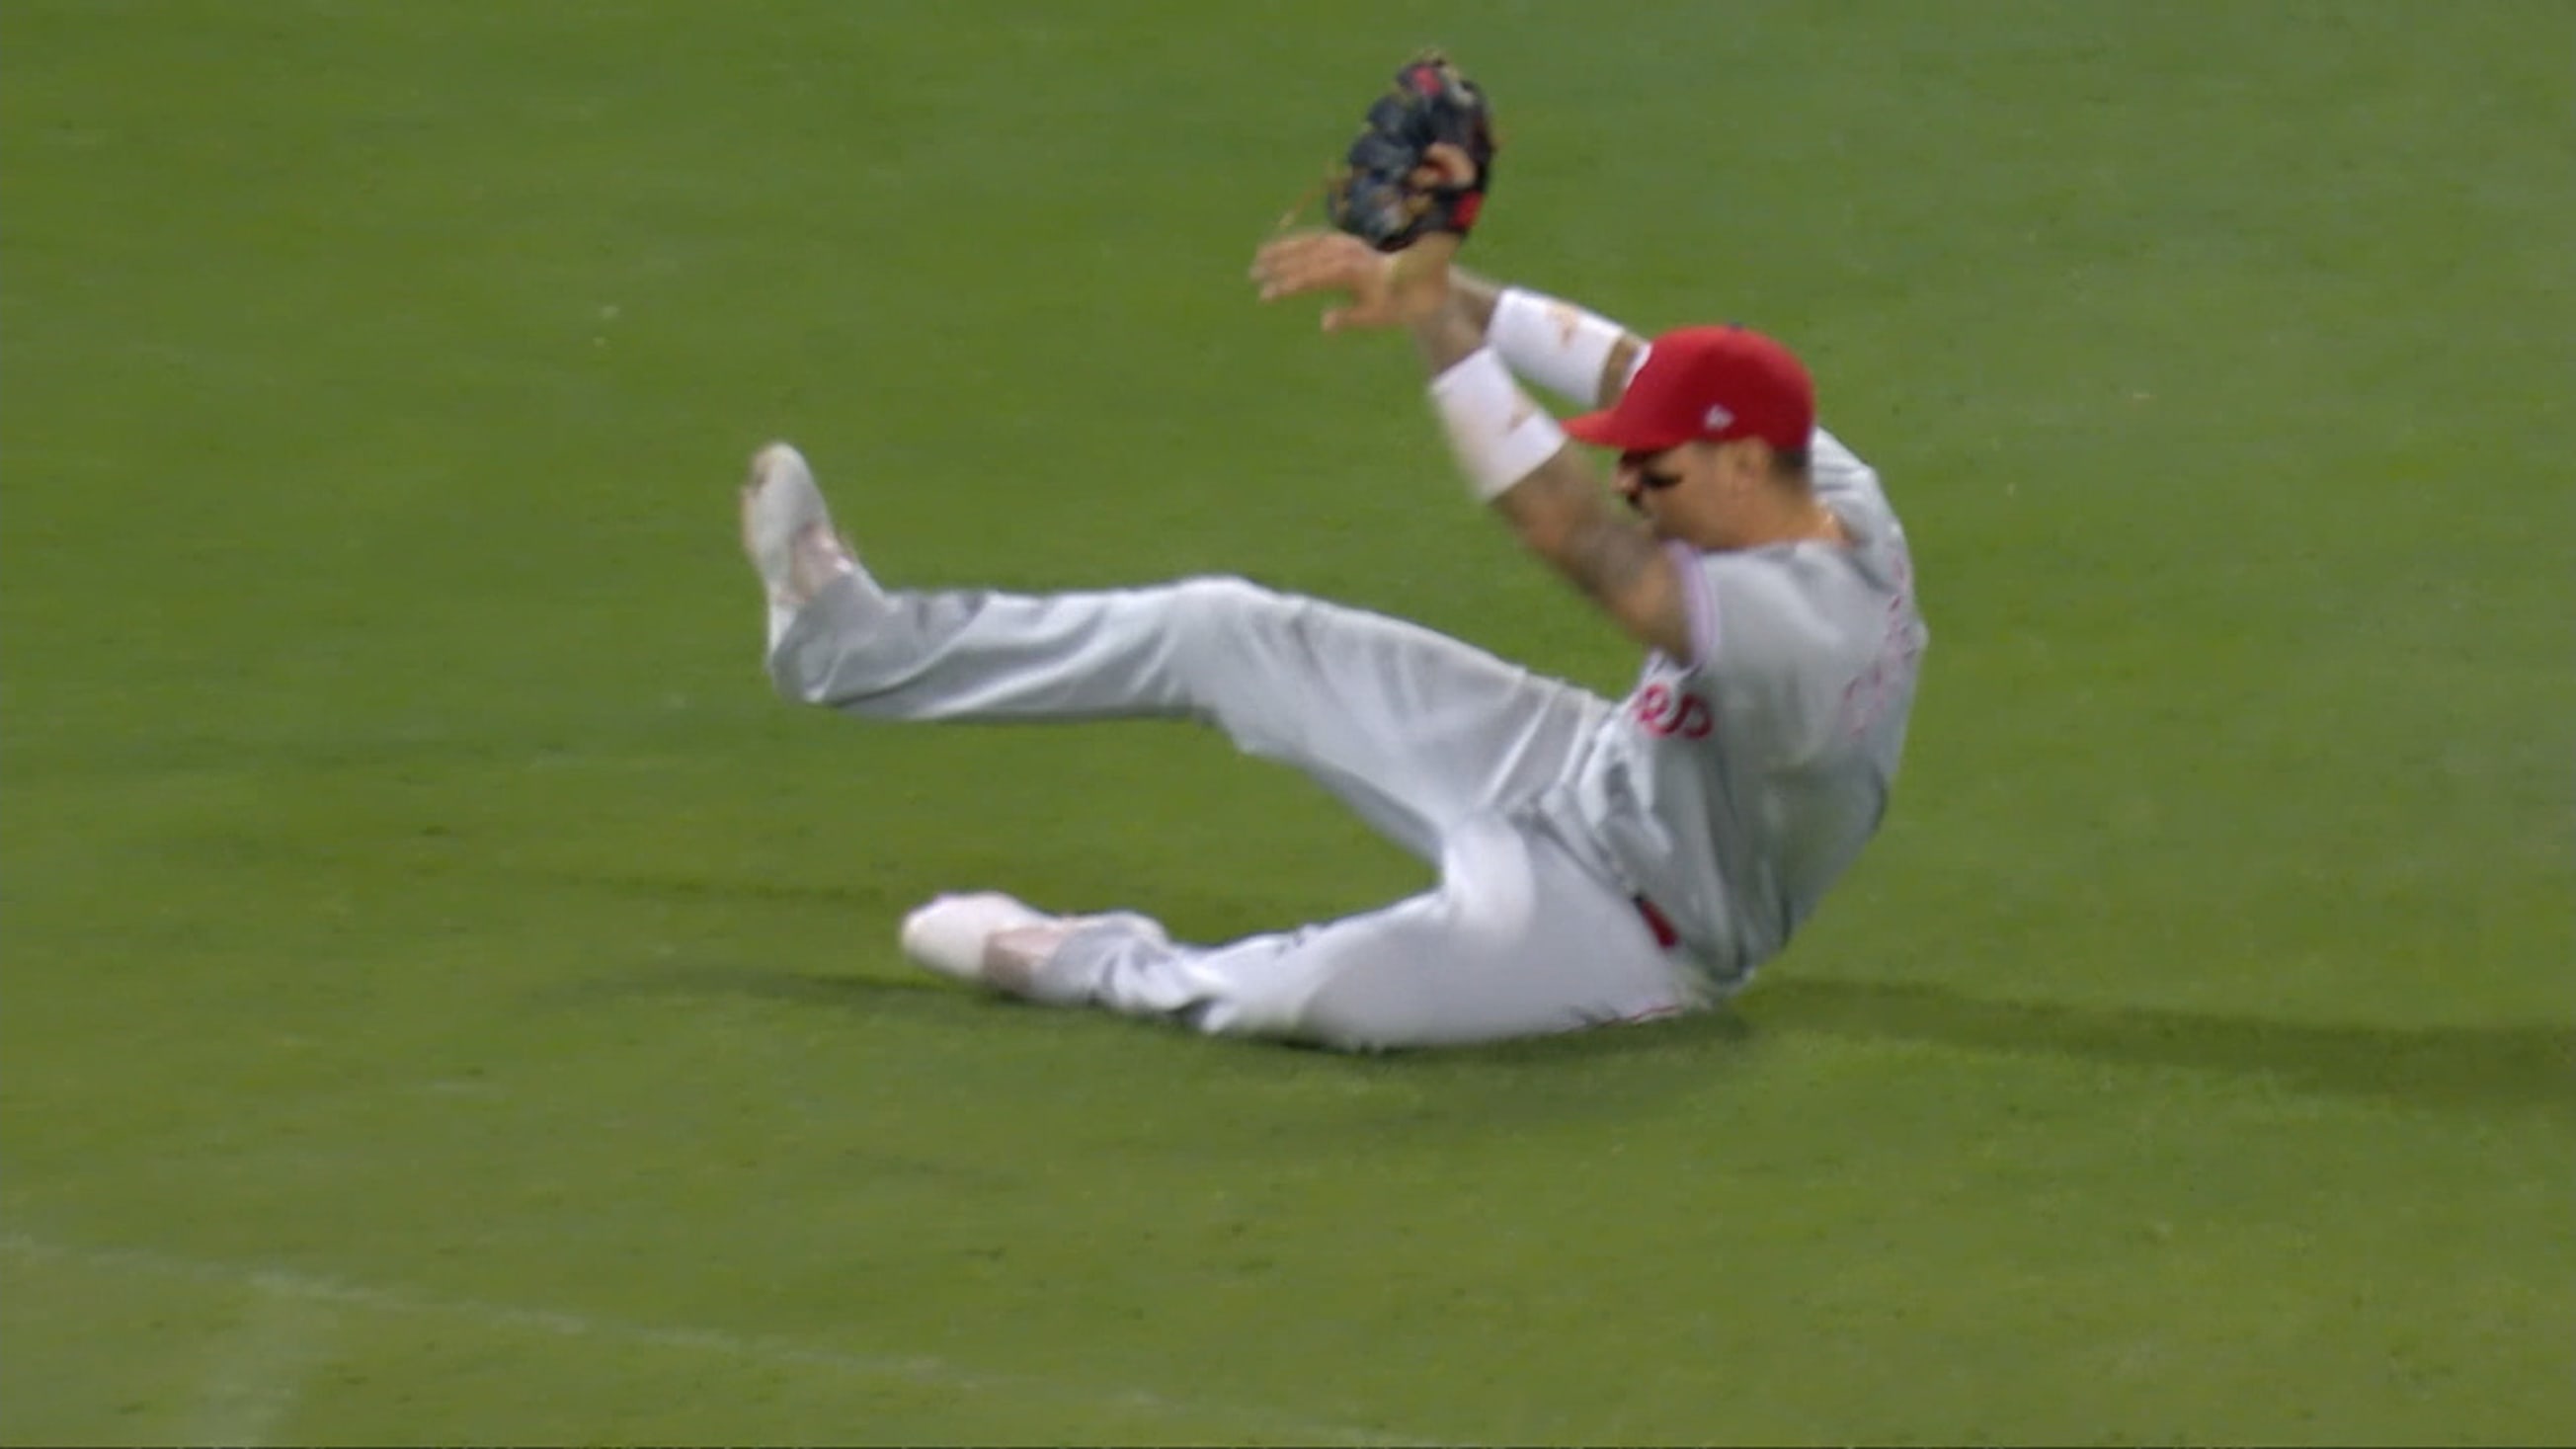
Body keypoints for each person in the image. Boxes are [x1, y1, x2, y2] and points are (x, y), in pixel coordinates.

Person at [736, 224, 1926, 1052]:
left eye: (1651, 465)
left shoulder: (1796, 636)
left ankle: (1074, 961)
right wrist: (1439, 289)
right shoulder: (1825, 484)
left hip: (1631, 932)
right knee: (1223, 630)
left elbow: (1570, 536)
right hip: (1581, 767)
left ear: (1735, 463)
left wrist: (1441, 341)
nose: (1628, 481)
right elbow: (1635, 361)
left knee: (1317, 997)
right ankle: (850, 643)